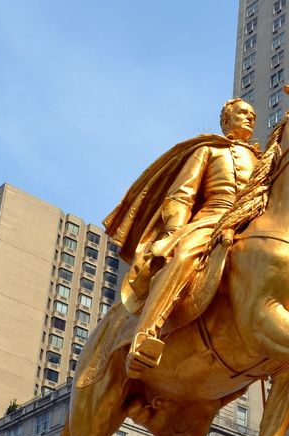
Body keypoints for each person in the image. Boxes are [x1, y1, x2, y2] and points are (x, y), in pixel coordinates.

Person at [104, 99, 259, 377]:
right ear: (226, 121)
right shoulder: (208, 150)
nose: (250, 118)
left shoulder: (262, 159)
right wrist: (175, 231)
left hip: (252, 223)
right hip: (212, 218)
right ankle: (146, 334)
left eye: (253, 115)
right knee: (184, 256)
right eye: (243, 113)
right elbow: (182, 194)